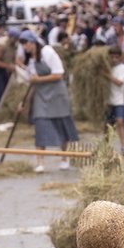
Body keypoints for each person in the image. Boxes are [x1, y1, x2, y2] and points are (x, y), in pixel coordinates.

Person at [17, 29, 78, 173]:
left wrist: (40, 79)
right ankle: (40, 162)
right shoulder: (31, 61)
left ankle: (64, 159)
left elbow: (58, 74)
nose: (24, 48)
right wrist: (24, 102)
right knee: (41, 126)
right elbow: (32, 83)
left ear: (31, 43)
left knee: (61, 125)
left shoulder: (47, 52)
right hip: (41, 95)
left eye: (25, 44)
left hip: (57, 94)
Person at [100, 45, 124, 156]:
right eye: (112, 57)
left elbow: (119, 82)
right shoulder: (107, 67)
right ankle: (106, 147)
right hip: (108, 100)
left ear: (120, 57)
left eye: (116, 57)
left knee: (120, 122)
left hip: (118, 100)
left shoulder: (122, 68)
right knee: (107, 125)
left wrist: (106, 75)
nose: (114, 60)